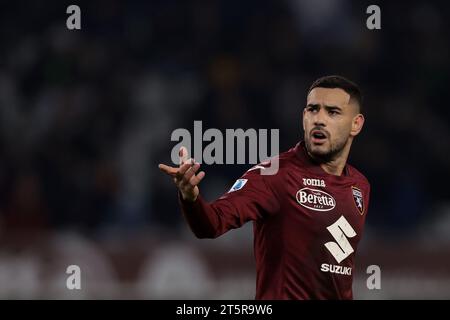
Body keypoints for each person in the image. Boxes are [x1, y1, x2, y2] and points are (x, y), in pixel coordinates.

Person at [159, 75, 370, 299]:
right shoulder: (275, 175)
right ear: (304, 116)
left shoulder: (360, 186)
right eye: (313, 109)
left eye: (332, 112)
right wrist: (190, 196)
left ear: (355, 124)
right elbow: (211, 224)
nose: (319, 119)